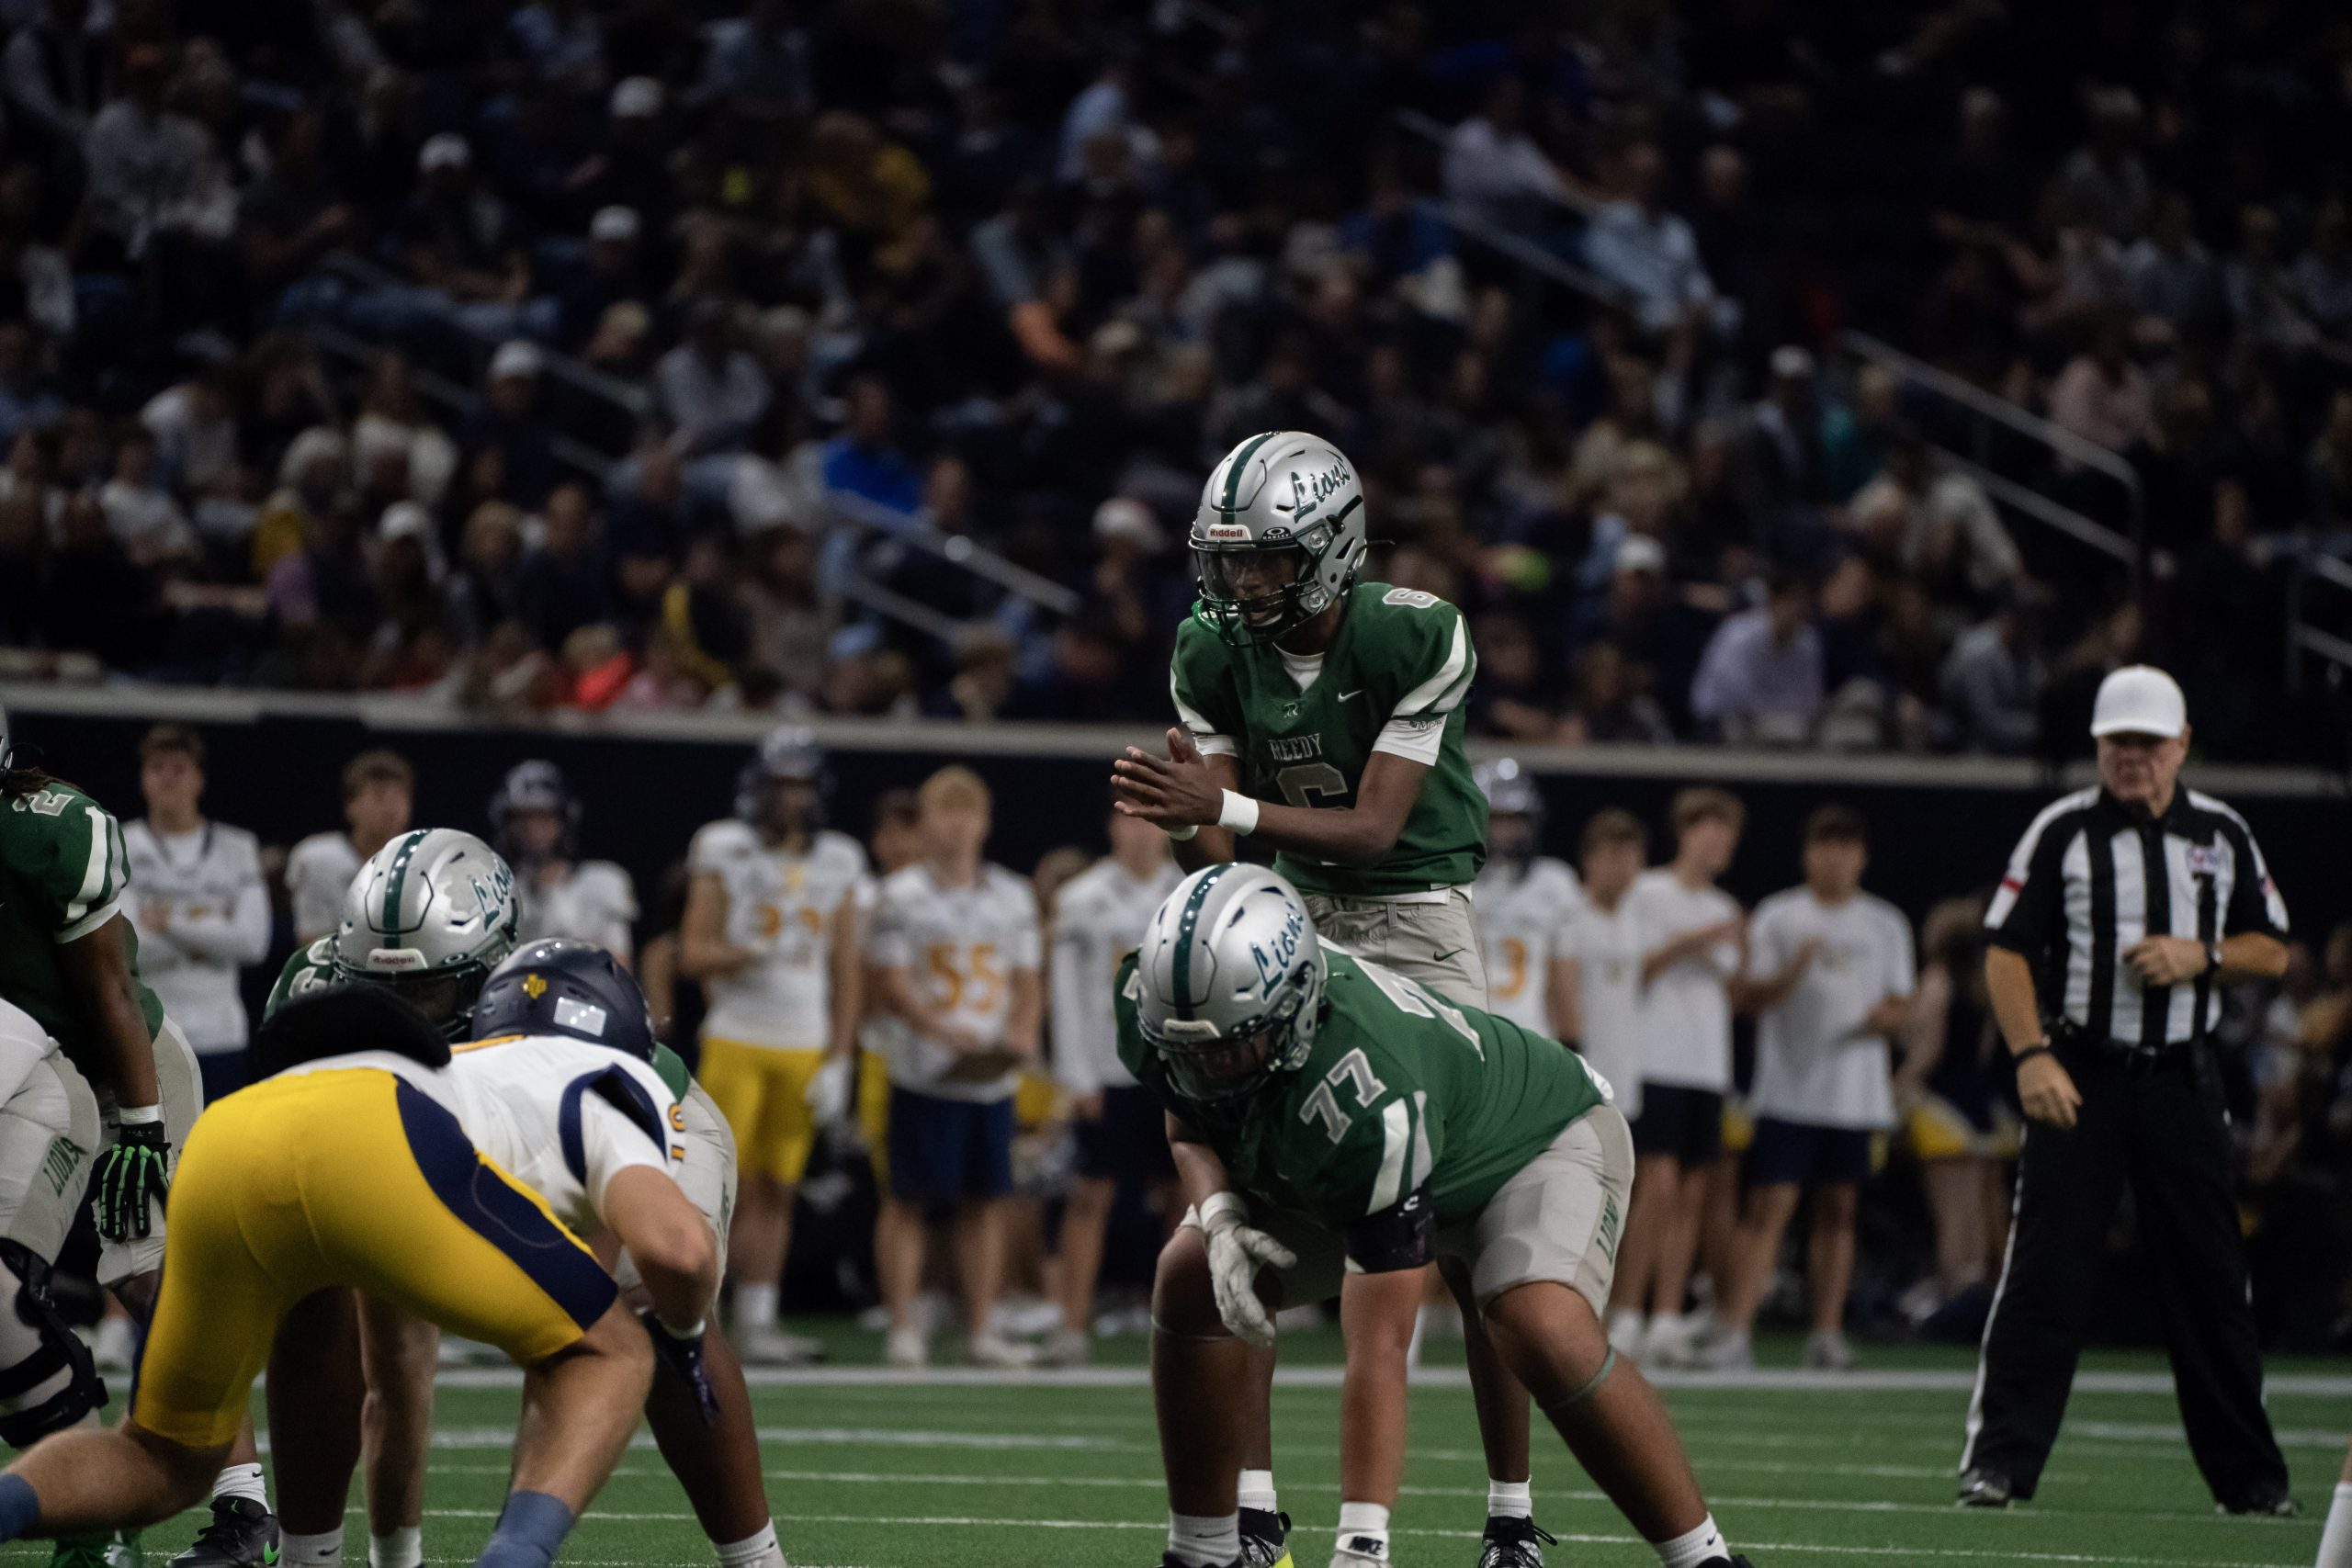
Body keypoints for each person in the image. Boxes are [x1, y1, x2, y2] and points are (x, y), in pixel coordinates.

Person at [1112, 431, 1546, 1568]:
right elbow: (1216, 844)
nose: (1241, 582)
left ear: (1332, 548)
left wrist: (1222, 811)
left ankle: (1510, 1511)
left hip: (1416, 918)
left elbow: (1375, 829)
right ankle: (1252, 1508)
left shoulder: (1415, 630)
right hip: (1291, 917)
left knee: (1475, 1225)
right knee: (1248, 1213)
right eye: (1227, 560)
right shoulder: (1209, 646)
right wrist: (1183, 820)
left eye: (1264, 558)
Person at [1127, 863, 1757, 1568]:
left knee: (1540, 1322)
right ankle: (1203, 1552)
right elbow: (1188, 1121)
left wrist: (1362, 1546)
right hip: (1390, 1139)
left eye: (1232, 1046)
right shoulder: (1162, 1000)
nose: (1212, 1070)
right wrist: (1217, 1215)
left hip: (1532, 1143)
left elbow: (1381, 1344)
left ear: (1298, 1004)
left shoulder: (1370, 1087)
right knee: (1189, 1272)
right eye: (1192, 1052)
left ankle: (1704, 1557)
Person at [0, 981, 653, 1568]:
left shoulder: (384, 1020)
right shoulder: (616, 1076)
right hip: (374, 1139)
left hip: (231, 1132)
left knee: (156, 1453)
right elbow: (680, 1249)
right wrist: (680, 1325)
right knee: (613, 1350)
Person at [266, 839, 787, 1568]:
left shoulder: (546, 1006)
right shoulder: (310, 992)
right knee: (319, 1296)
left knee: (640, 1317)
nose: (400, 1014)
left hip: (618, 1129)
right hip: (443, 1132)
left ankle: (757, 1560)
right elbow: (395, 1358)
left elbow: (590, 1240)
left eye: (428, 993)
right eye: (379, 990)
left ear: (490, 972)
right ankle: (312, 1556)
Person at [1958, 665, 2292, 1513]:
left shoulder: (2222, 830)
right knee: (2045, 1268)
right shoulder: (2062, 830)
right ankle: (1999, 1462)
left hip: (2182, 1074)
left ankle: (2251, 1481)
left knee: (2212, 1278)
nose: (2133, 756)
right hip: (2084, 1073)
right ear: (2098, 746)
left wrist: (2199, 954)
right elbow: (2005, 946)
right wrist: (2032, 1055)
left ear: (2181, 745)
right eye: (2118, 742)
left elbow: (2272, 946)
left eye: (2148, 742)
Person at [0, 704, 256, 1568]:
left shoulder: (48, 831)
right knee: (8, 1287)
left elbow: (110, 991)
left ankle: (244, 1503)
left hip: (124, 1063)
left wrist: (143, 1126)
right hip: (32, 1076)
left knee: (151, 1275)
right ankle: (90, 1514)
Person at [680, 728, 867, 1367]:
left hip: (804, 1043)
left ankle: (758, 1320)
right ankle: (694, 1314)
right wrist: (750, 951)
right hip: (737, 1035)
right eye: (781, 784)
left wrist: (840, 1057)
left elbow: (847, 967)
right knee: (713, 1187)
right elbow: (693, 951)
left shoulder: (839, 857)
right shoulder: (722, 846)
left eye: (801, 785)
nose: (791, 798)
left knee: (778, 1188)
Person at [1703, 807, 1915, 1371]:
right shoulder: (1781, 915)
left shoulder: (1886, 923)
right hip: (1788, 1090)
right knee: (1768, 1208)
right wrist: (1791, 975)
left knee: (1839, 1211)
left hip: (1855, 1095)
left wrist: (1886, 1018)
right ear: (1808, 854)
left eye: (1846, 847)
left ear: (1862, 857)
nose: (1835, 859)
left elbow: (1903, 1003)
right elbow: (1746, 998)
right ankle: (1734, 1331)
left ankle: (1826, 1333)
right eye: (1825, 846)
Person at [865, 767, 1043, 1369]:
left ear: (985, 823)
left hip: (989, 1071)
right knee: (908, 1198)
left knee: (987, 1200)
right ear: (925, 822)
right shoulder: (900, 894)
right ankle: (903, 1324)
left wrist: (1020, 1033)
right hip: (924, 1067)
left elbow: (1028, 979)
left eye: (968, 813)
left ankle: (982, 1326)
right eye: (946, 812)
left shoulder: (1012, 894)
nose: (958, 826)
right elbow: (889, 981)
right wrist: (942, 1032)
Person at [1609, 789, 1747, 1367]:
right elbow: (1631, 969)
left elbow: (1732, 986)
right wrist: (1696, 940)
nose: (1719, 843)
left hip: (1706, 1065)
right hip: (1655, 1060)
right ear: (1685, 833)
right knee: (1656, 1189)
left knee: (1692, 1196)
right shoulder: (1647, 892)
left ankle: (1667, 1318)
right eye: (1710, 830)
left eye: (1728, 834)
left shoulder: (1726, 907)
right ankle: (1626, 1313)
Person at [1043, 801, 1182, 1367]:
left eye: (1151, 819)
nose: (1141, 832)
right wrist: (1075, 1073)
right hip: (1107, 1066)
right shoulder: (1082, 898)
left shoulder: (1192, 890)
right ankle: (1070, 1326)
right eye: (1131, 818)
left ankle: (1182, 1327)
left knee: (1184, 1199)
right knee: (1089, 1196)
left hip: (1176, 1067)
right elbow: (1065, 992)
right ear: (1112, 826)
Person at [122, 725, 269, 1104]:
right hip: (152, 1032)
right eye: (157, 768)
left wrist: (169, 923)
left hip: (221, 1034)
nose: (168, 778)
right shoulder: (120, 844)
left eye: (179, 768)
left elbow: (252, 942)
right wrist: (213, 933)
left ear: (199, 779)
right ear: (143, 779)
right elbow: (128, 949)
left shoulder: (237, 847)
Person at [1894, 896, 2016, 1327]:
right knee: (1989, 1210)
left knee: (1953, 1211)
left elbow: (1929, 1048)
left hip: (1943, 1103)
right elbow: (1983, 1051)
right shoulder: (1984, 984)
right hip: (1982, 1103)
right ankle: (1991, 1290)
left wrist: (1900, 1087)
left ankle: (1958, 1295)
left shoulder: (1938, 980)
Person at [1554, 809, 1652, 1131]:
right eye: (1613, 858)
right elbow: (1559, 993)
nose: (1622, 869)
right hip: (1581, 1069)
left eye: (1631, 859)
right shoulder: (1570, 916)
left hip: (1626, 1071)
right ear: (1589, 859)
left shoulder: (1638, 919)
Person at [1472, 759, 1583, 1037]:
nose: (1504, 833)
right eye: (1496, 819)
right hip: (1468, 1031)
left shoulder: (1554, 882)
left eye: (1514, 820)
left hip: (1529, 1036)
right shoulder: (1455, 881)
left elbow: (1563, 976)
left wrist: (1570, 1041)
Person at [488, 761, 638, 960]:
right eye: (524, 817)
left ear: (564, 818)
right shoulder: (494, 890)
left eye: (544, 816)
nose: (533, 828)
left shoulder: (605, 881)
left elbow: (618, 967)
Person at [285, 750, 413, 945]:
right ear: (350, 806)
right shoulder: (317, 858)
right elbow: (311, 944)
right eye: (379, 796)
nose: (391, 808)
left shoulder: (422, 862)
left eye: (400, 797)